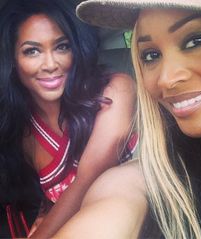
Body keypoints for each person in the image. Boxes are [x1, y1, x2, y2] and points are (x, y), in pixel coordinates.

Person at [53, 0, 201, 238]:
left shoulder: (116, 89)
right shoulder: (138, 183)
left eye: (196, 41)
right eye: (151, 55)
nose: (166, 79)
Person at [0, 0, 135, 238]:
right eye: (32, 51)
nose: (51, 64)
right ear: (13, 60)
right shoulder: (24, 132)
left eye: (62, 47)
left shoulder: (115, 90)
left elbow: (86, 181)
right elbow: (57, 193)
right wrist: (45, 211)